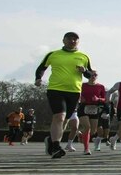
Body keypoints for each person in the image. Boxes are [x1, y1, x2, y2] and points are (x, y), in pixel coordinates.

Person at [35, 31, 94, 159]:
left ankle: (51, 140)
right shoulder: (53, 54)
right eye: (69, 39)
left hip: (74, 91)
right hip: (56, 89)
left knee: (66, 120)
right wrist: (38, 78)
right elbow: (41, 68)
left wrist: (85, 71)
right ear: (63, 40)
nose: (72, 41)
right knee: (59, 117)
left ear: (78, 42)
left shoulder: (83, 56)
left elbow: (90, 74)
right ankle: (56, 146)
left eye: (75, 39)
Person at [77, 71, 106, 155]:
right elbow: (76, 94)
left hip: (94, 108)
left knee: (93, 131)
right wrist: (80, 98)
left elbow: (104, 99)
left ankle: (81, 136)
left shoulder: (100, 86)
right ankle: (86, 149)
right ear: (88, 76)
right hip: (83, 107)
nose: (93, 76)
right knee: (87, 127)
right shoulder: (82, 85)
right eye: (91, 75)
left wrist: (98, 99)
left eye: (95, 75)